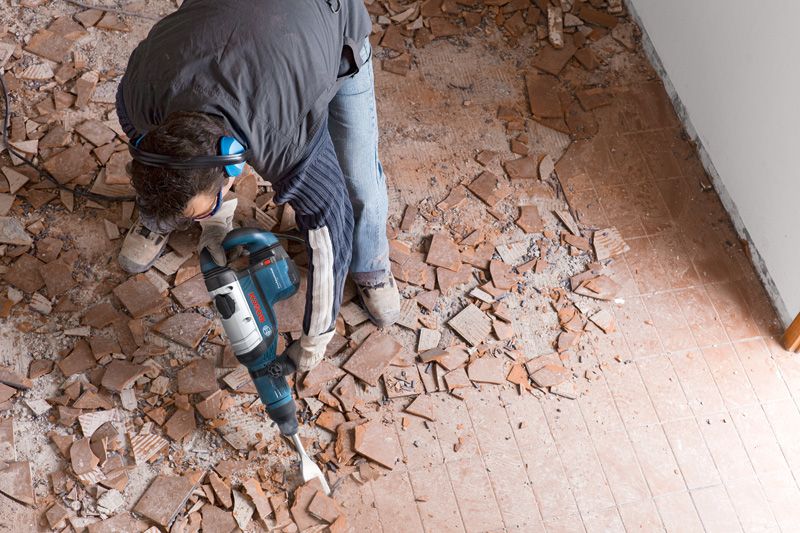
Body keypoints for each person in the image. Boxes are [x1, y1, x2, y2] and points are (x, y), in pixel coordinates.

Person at [115, 0, 400, 372]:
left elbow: (329, 226)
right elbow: (154, 152)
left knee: (356, 179)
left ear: (232, 163)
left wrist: (314, 341)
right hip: (228, 31)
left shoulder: (284, 137)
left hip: (329, 25)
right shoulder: (140, 96)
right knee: (172, 188)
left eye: (195, 211)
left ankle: (371, 263)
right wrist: (188, 209)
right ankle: (158, 219)